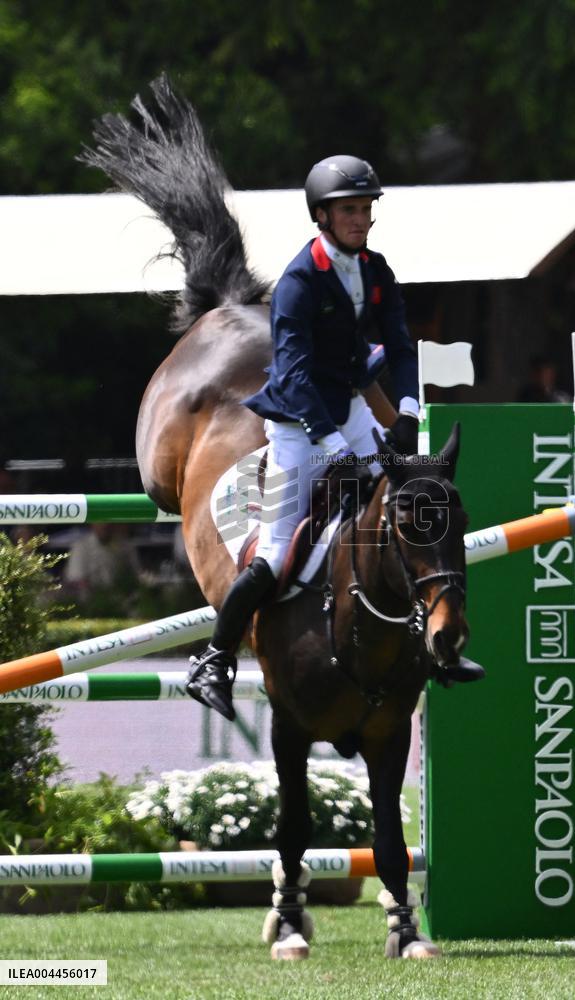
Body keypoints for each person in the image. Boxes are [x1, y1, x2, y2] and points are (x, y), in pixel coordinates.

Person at [186, 154, 478, 721]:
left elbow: (398, 342)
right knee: (272, 559)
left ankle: (439, 645)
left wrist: (410, 410)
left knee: (416, 506)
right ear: (322, 215)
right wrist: (333, 445)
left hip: (348, 407)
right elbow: (292, 374)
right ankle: (214, 660)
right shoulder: (299, 280)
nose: (361, 219)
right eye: (350, 210)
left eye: (367, 209)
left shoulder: (375, 268)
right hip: (297, 424)